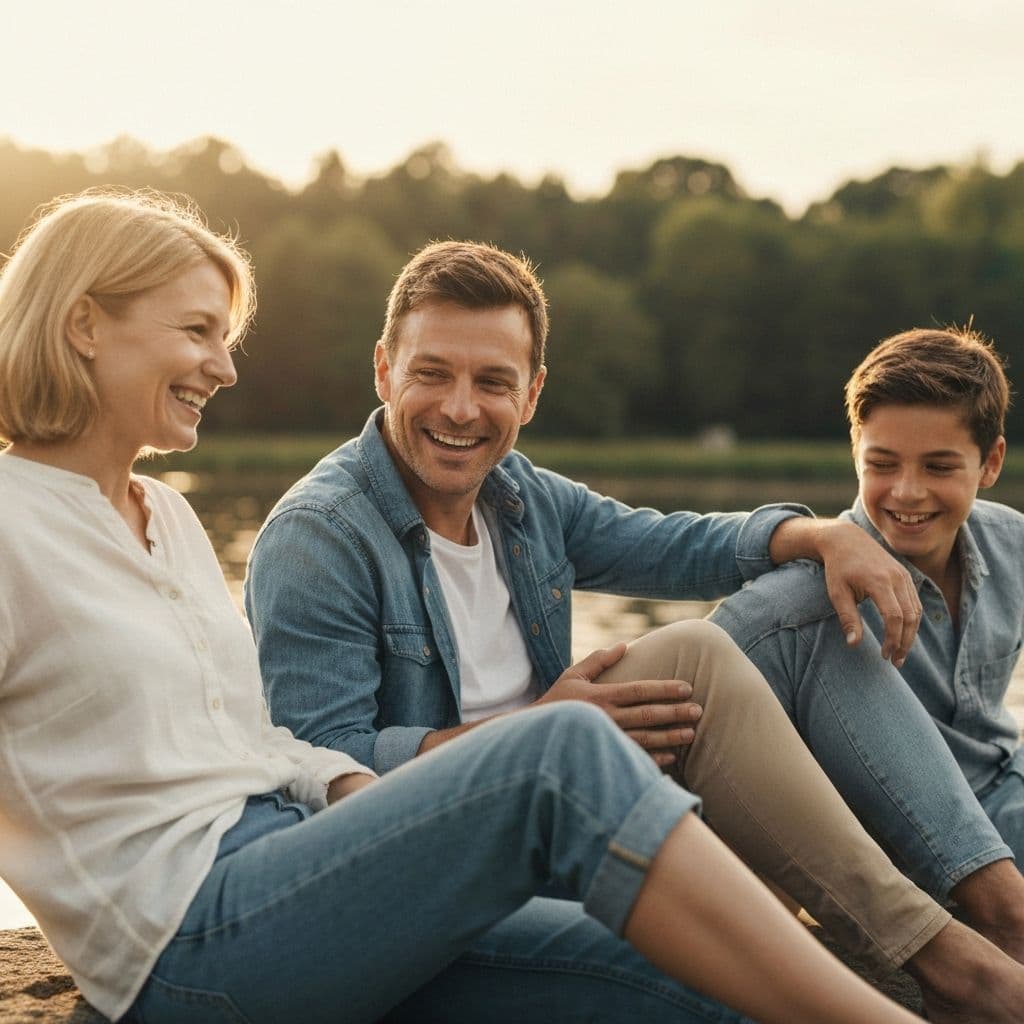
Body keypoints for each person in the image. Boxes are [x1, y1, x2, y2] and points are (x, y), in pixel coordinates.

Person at [0, 188, 940, 1024]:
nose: (226, 366)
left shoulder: (163, 513)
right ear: (85, 324)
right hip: (183, 944)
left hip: (299, 868)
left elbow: (255, 741)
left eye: (223, 337)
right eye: (197, 331)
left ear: (529, 393)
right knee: (557, 749)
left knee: (705, 978)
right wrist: (498, 758)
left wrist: (385, 812)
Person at [245, 240, 1024, 1021]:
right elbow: (321, 767)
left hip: (580, 805)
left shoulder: (517, 495)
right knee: (694, 652)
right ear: (383, 370)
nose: (460, 408)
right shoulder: (322, 534)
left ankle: (961, 933)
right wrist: (536, 734)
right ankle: (951, 958)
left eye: (493, 382)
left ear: (534, 394)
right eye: (431, 373)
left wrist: (822, 537)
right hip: (441, 857)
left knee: (796, 603)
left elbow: (671, 543)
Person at [711, 326, 1024, 965]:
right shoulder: (805, 597)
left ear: (990, 462)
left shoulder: (1013, 544)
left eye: (939, 466)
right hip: (896, 838)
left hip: (1003, 792)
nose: (907, 492)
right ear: (854, 449)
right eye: (882, 464)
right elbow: (706, 664)